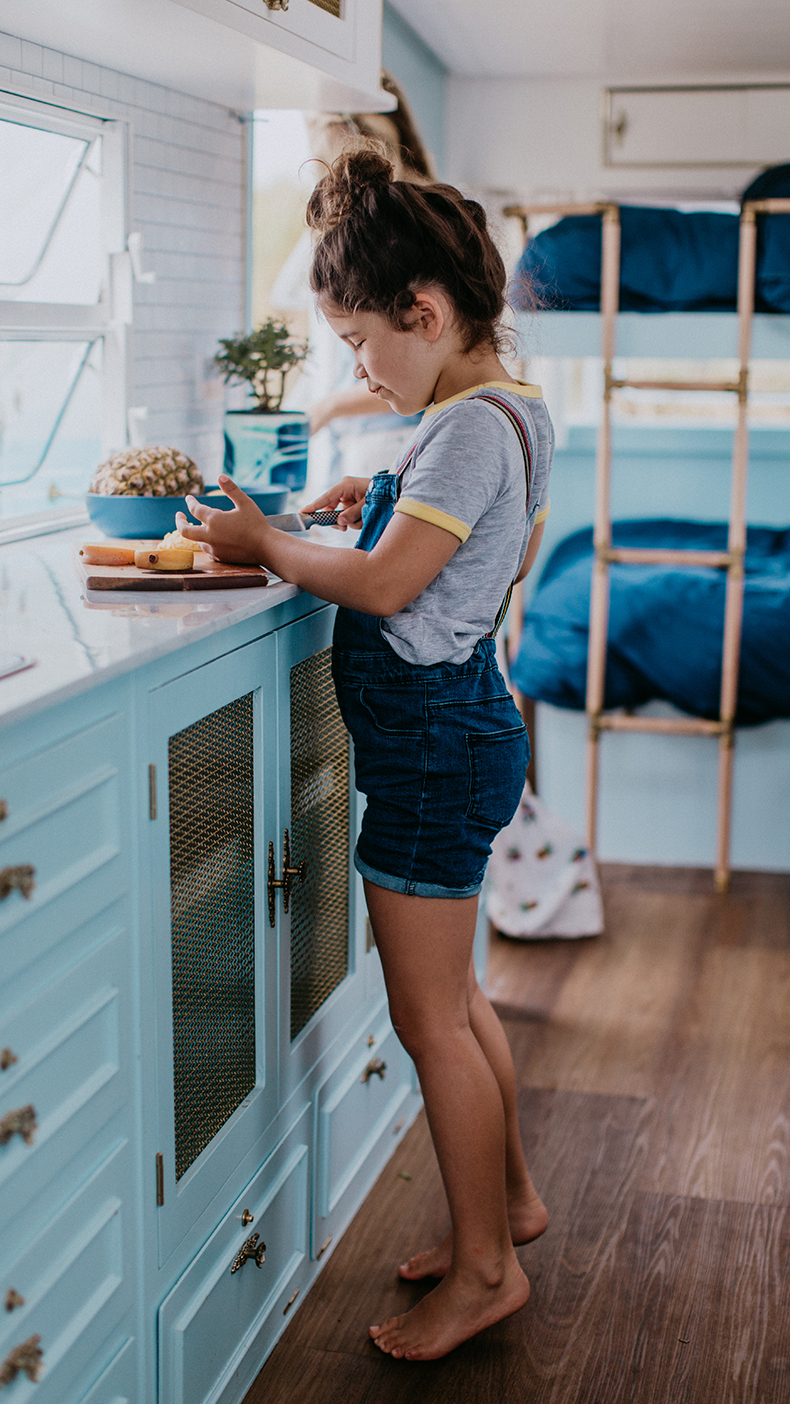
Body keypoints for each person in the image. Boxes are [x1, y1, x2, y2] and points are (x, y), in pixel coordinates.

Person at [177, 145, 554, 1362]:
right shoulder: (503, 408)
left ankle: (488, 1272)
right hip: (463, 735)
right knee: (459, 1002)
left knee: (426, 1018)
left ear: (425, 314)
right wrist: (367, 497)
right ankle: (509, 1206)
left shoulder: (461, 431)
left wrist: (267, 540)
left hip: (435, 749)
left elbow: (396, 585)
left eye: (358, 341)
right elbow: (460, 540)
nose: (354, 364)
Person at [272, 73, 436, 489]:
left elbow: (413, 369)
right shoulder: (368, 233)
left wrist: (326, 408)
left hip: (390, 439)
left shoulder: (403, 237)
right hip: (363, 441)